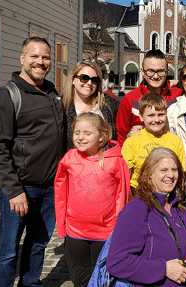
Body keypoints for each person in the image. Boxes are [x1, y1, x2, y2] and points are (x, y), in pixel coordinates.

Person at [0, 36, 65, 287]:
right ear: (22, 58)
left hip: (50, 188)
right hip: (21, 188)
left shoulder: (52, 94)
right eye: (34, 56)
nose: (40, 62)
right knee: (8, 251)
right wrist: (13, 190)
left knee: (38, 244)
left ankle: (30, 284)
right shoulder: (6, 95)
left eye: (45, 57)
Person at [106, 147, 186, 287]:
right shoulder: (136, 210)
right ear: (149, 174)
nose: (171, 175)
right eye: (164, 170)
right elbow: (117, 262)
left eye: (174, 170)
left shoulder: (181, 210)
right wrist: (164, 269)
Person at [55, 113, 130, 287]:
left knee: (102, 276)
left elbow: (122, 195)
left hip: (105, 231)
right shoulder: (69, 158)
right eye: (77, 133)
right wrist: (62, 225)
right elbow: (60, 194)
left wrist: (119, 229)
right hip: (76, 231)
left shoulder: (115, 160)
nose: (80, 137)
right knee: (79, 277)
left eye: (87, 133)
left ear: (101, 136)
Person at [122, 93, 186, 193]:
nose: (156, 120)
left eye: (160, 115)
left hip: (168, 194)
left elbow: (182, 173)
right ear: (141, 117)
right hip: (139, 193)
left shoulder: (175, 140)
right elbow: (125, 177)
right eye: (151, 115)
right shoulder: (132, 141)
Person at [116, 49, 182, 144]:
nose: (155, 76)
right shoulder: (129, 99)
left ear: (167, 71)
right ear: (142, 71)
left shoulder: (178, 95)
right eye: (150, 71)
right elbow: (121, 136)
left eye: (160, 71)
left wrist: (180, 83)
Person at [62, 61, 119, 149]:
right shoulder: (61, 107)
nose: (89, 83)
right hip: (74, 161)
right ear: (73, 80)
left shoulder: (109, 104)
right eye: (84, 78)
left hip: (105, 160)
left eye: (94, 80)